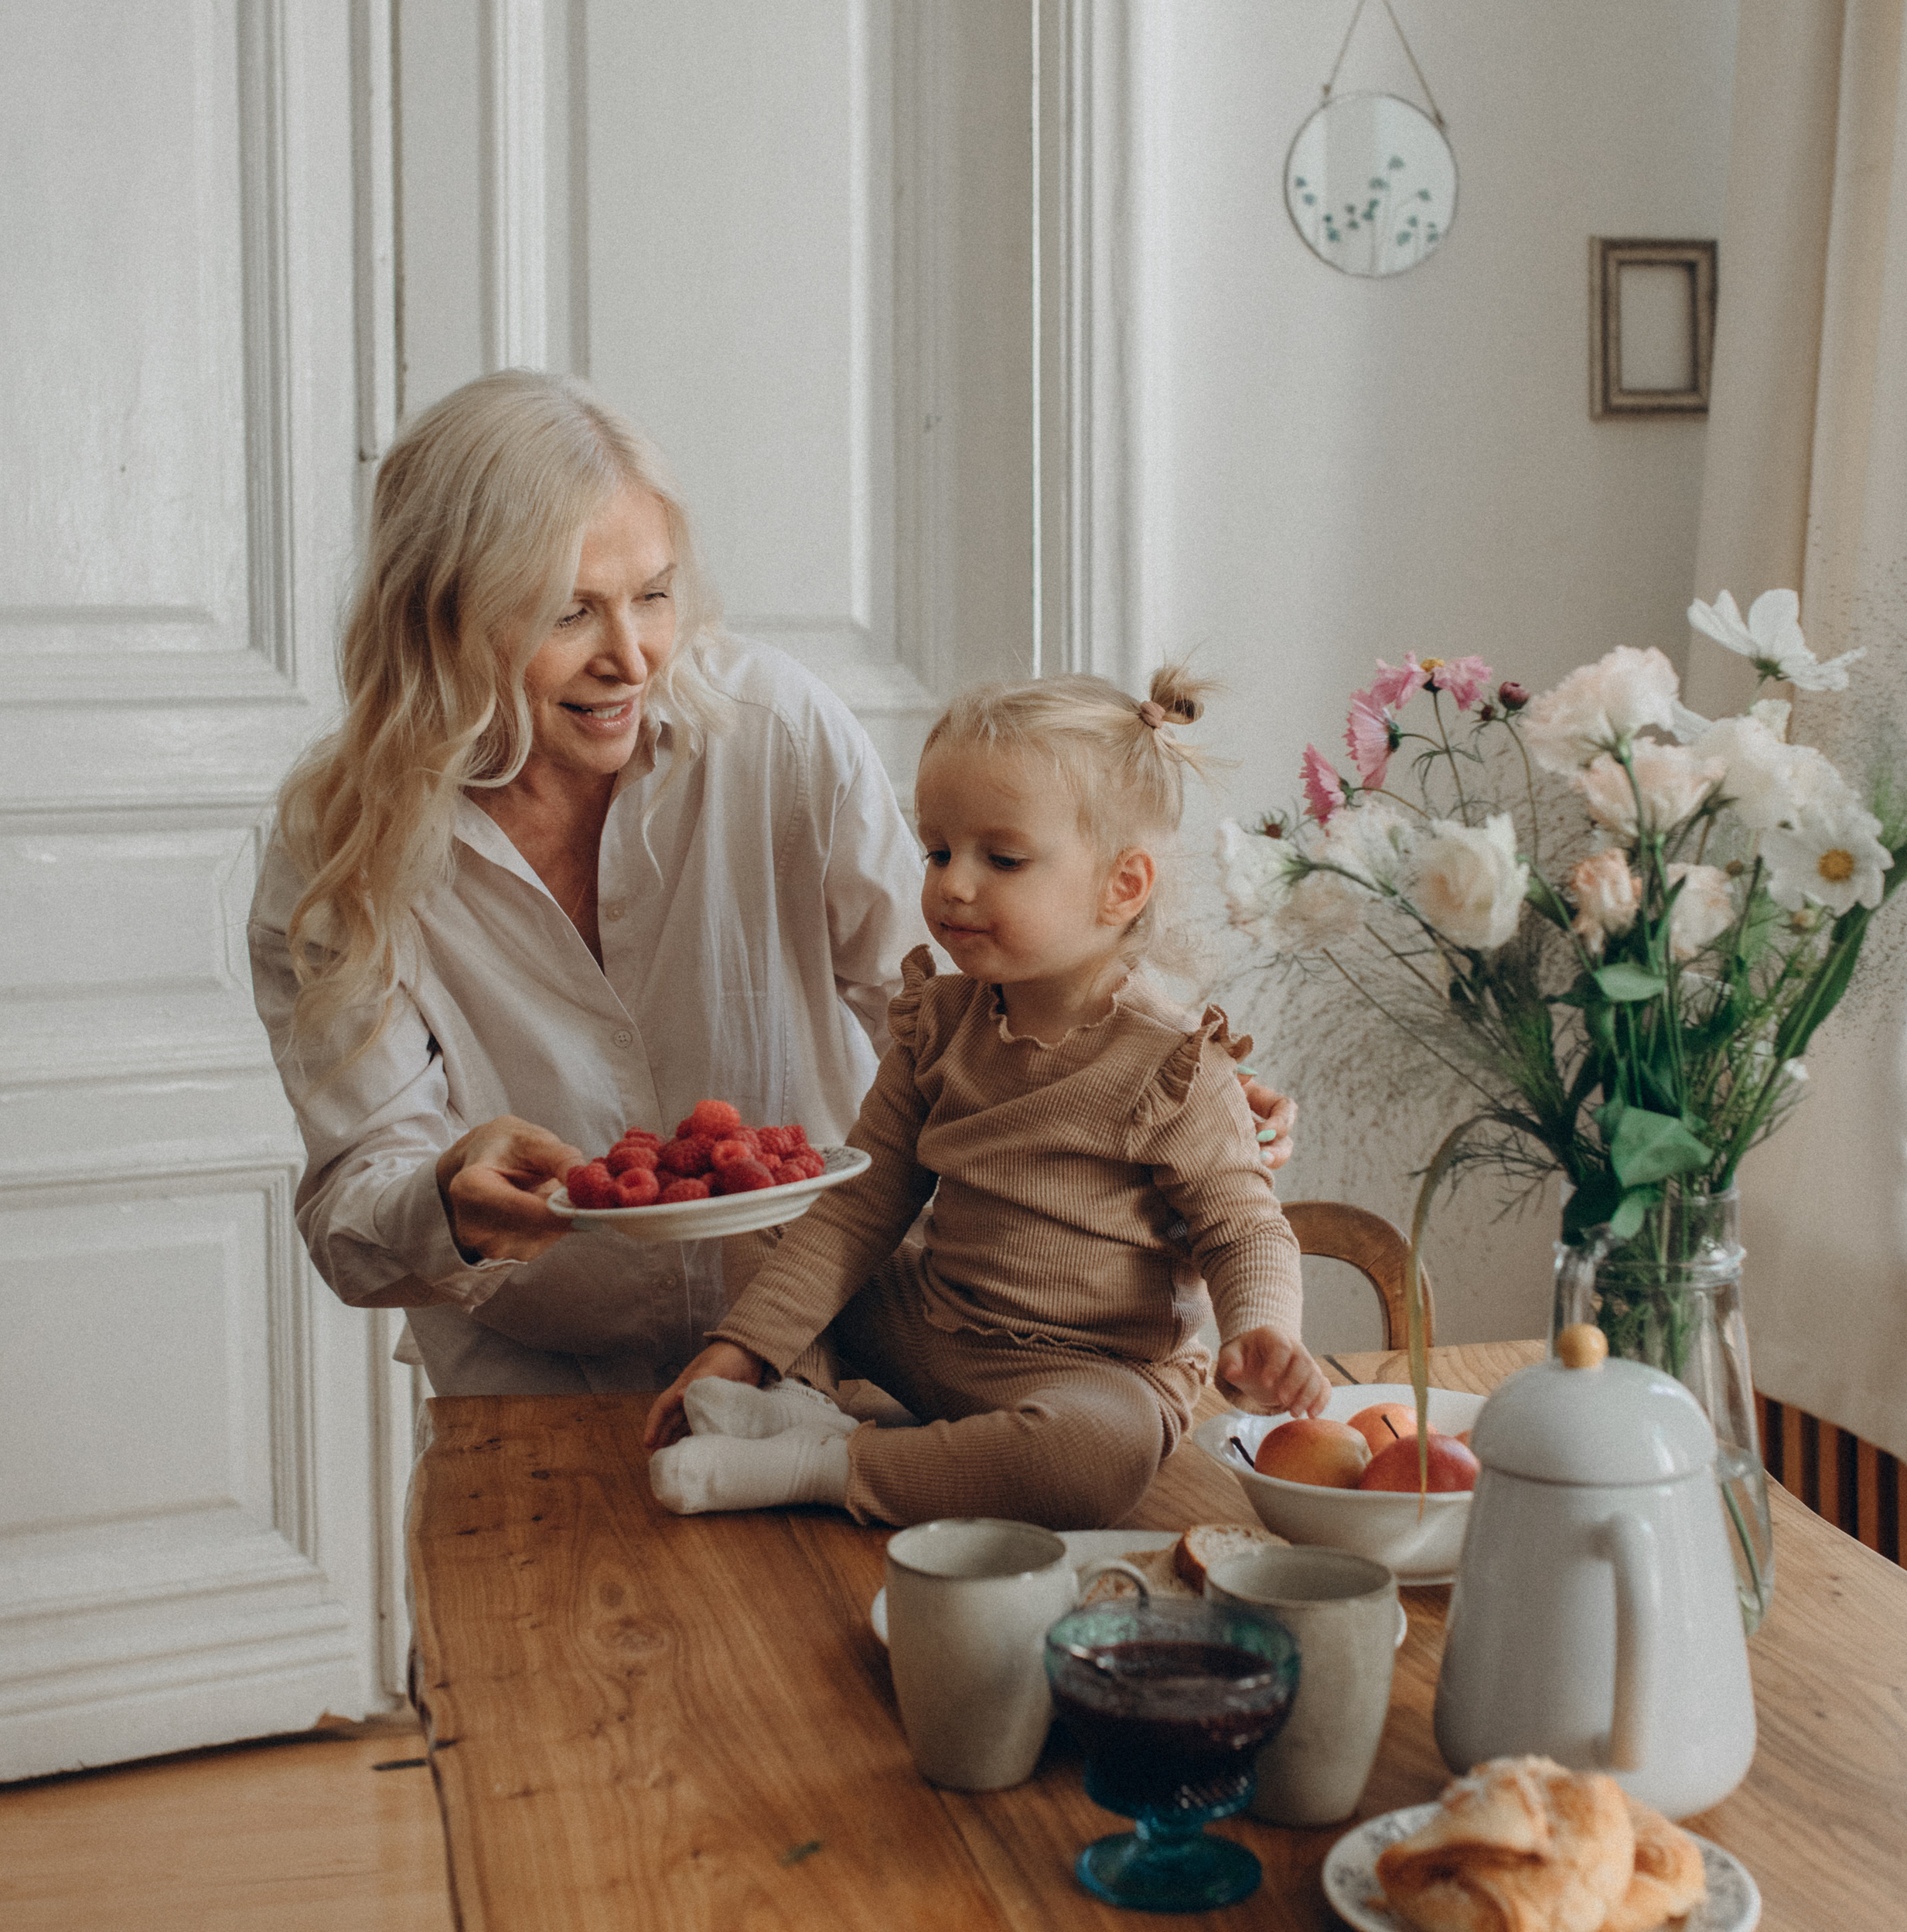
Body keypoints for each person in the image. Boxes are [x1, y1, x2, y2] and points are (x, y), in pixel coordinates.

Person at [250, 373, 1298, 1395]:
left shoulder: (775, 732)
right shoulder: (336, 850)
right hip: (536, 1387)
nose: (632, 656)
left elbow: (966, 1001)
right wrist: (449, 1202)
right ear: (438, 618)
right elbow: (354, 1211)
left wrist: (1154, 1085)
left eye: (653, 596)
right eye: (568, 614)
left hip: (837, 1360)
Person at [644, 670, 1331, 1530]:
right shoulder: (936, 1025)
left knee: (1093, 1458)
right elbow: (861, 1205)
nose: (952, 885)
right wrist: (740, 1348)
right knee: (773, 1207)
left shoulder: (1174, 1069)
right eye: (937, 851)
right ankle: (802, 1401)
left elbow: (1243, 1225)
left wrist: (1259, 1329)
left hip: (1087, 1374)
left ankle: (822, 1462)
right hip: (933, 1328)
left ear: (1123, 885)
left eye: (1000, 859)